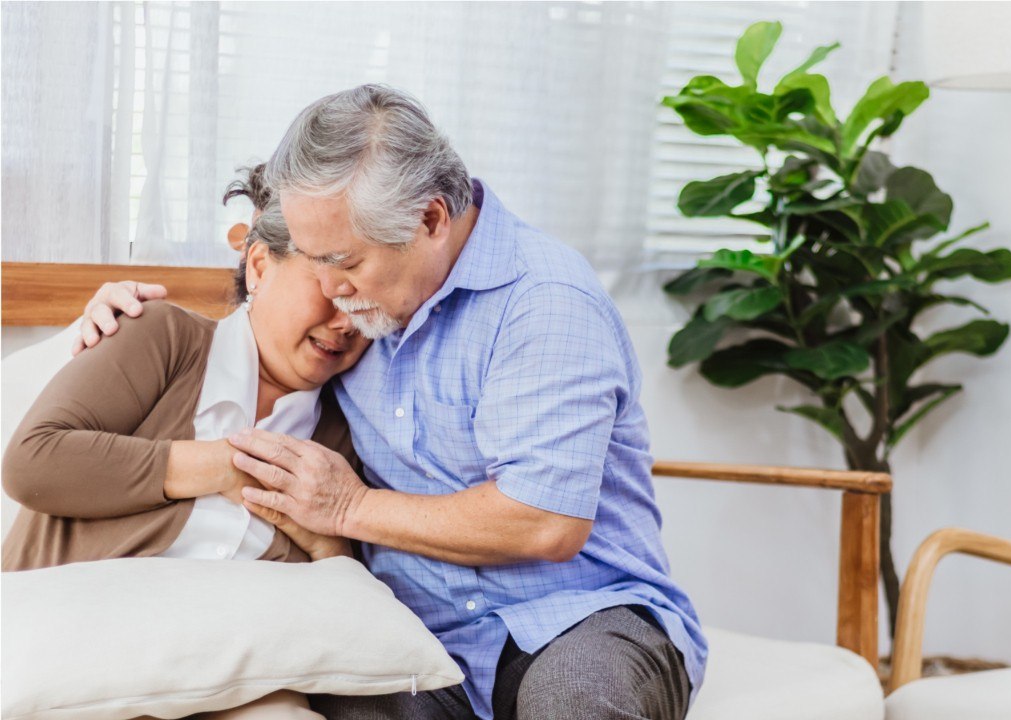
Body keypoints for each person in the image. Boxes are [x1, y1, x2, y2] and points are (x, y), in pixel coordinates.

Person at [77, 84, 707, 720]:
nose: (330, 291)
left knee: (577, 704)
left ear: (430, 220)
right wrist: (117, 315)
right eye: (315, 262)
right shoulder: (355, 313)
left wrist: (349, 506)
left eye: (344, 261)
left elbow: (544, 521)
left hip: (575, 614)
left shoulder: (544, 301)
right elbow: (256, 320)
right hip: (409, 631)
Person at [5, 167, 372, 719]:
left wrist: (324, 544)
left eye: (365, 303)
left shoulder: (341, 434)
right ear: (259, 266)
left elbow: (340, 604)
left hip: (233, 684)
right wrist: (224, 466)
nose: (346, 323)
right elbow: (33, 462)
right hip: (70, 662)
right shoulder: (163, 337)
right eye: (328, 289)